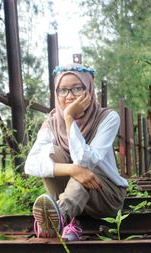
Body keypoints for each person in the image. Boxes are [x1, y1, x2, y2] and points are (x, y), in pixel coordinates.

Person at [24, 64, 128, 241]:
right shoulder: (51, 123)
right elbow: (30, 165)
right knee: (50, 153)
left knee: (88, 167)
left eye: (77, 88)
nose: (70, 96)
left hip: (105, 195)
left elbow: (85, 161)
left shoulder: (108, 118)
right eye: (63, 90)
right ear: (56, 94)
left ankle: (61, 216)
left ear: (89, 89)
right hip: (74, 192)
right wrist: (72, 170)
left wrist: (69, 118)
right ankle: (70, 219)